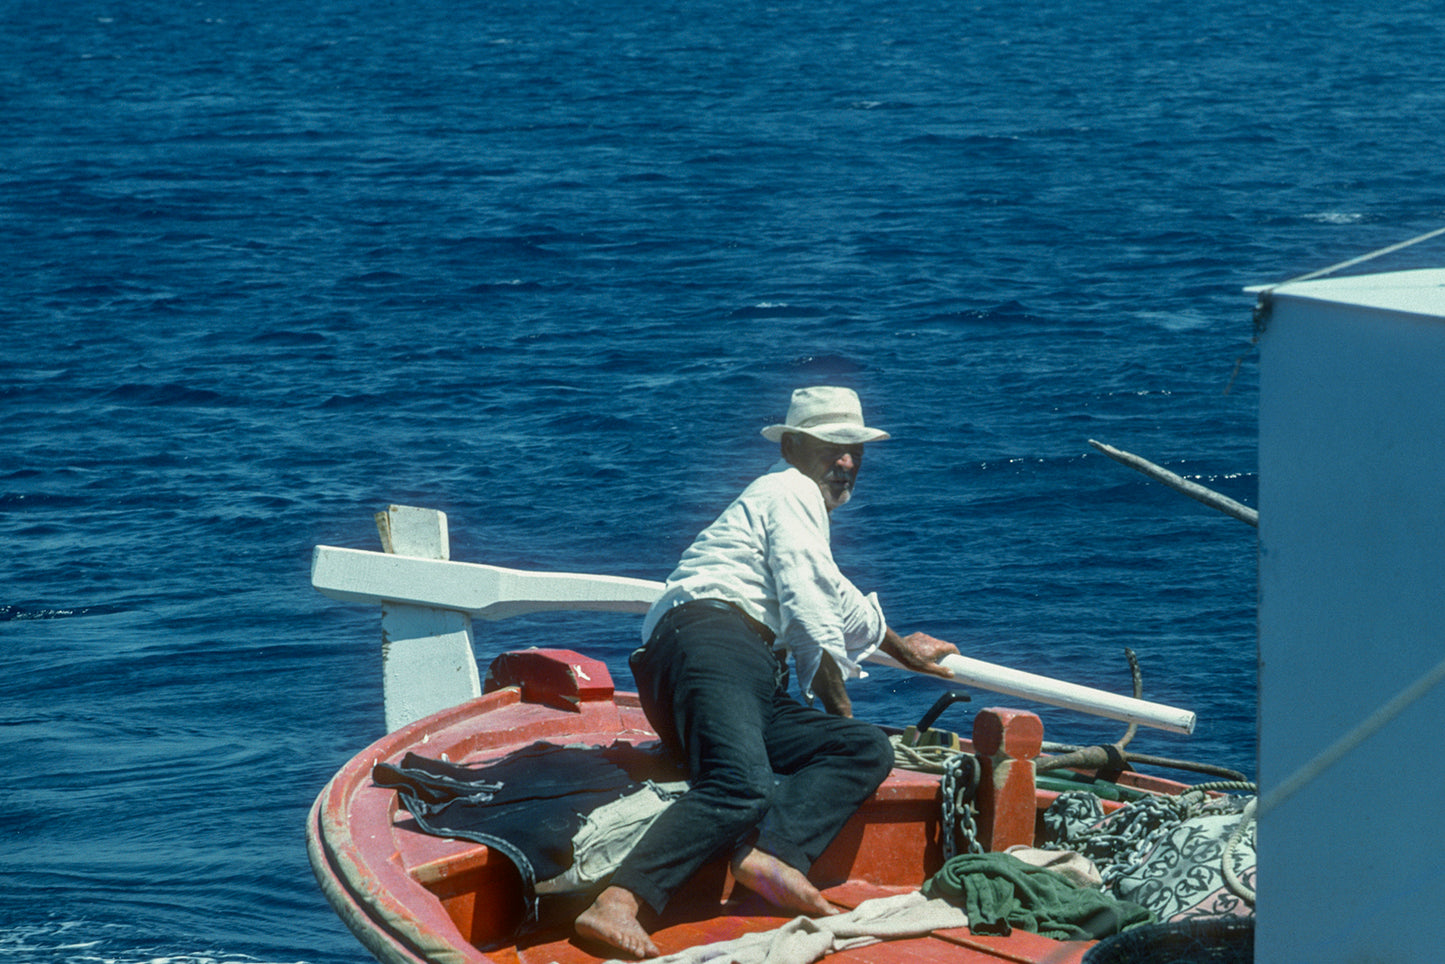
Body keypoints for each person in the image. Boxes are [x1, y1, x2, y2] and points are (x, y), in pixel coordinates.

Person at [575, 386, 959, 958]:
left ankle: (772, 855)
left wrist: (905, 652)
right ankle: (619, 900)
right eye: (833, 447)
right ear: (796, 446)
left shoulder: (790, 508)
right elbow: (809, 610)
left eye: (855, 448)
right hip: (709, 643)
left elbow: (836, 594)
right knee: (742, 784)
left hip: (742, 670)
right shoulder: (789, 489)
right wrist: (838, 702)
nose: (848, 461)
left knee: (862, 749)